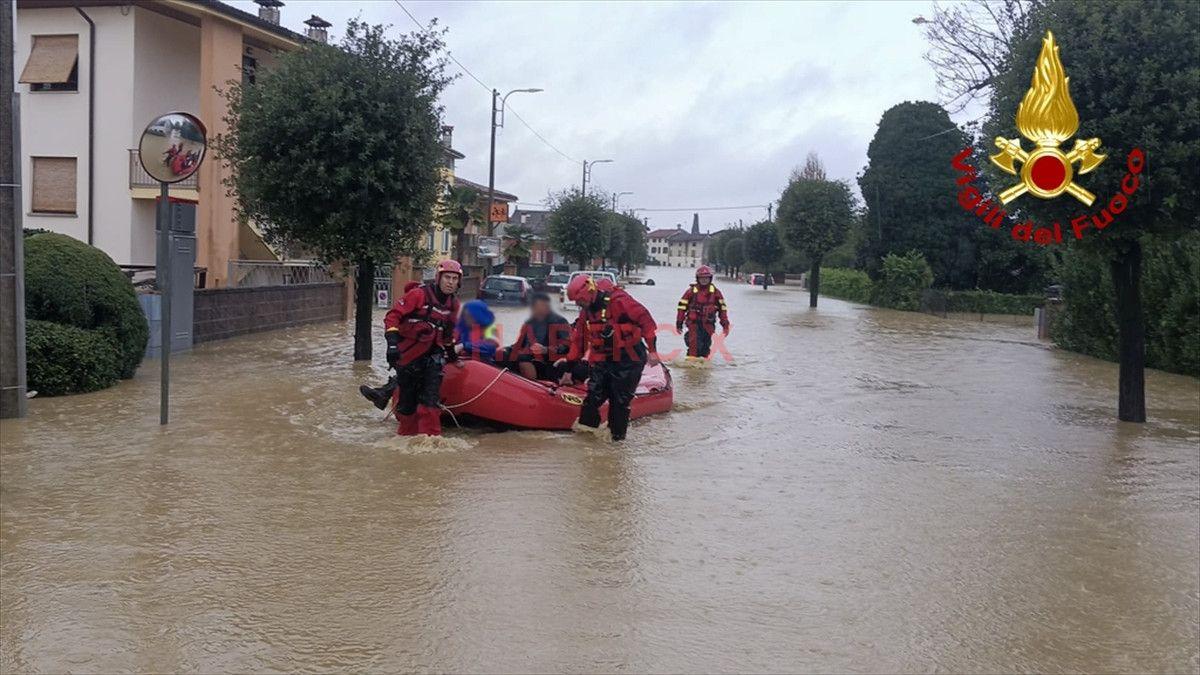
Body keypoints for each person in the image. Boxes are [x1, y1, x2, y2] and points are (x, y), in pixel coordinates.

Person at [557, 274, 660, 442]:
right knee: (592, 399)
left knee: (619, 402)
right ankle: (586, 440)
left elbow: (646, 321)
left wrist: (653, 351)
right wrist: (569, 370)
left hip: (629, 359)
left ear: (588, 293)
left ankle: (616, 443)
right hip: (604, 358)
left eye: (579, 300)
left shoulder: (619, 301)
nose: (577, 304)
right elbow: (579, 342)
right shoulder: (587, 312)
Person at [382, 259, 462, 436]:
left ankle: (431, 441)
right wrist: (392, 345)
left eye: (454, 279)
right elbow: (392, 317)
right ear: (438, 278)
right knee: (407, 406)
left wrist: (453, 357)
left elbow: (448, 335)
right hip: (409, 356)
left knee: (430, 401)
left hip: (433, 357)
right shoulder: (418, 295)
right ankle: (406, 437)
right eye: (447, 277)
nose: (450, 282)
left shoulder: (454, 305)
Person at [496, 292, 577, 381]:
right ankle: (504, 381)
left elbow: (567, 345)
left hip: (548, 356)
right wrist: (507, 349)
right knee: (502, 354)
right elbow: (520, 343)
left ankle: (533, 385)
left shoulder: (559, 321)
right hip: (530, 353)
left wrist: (545, 349)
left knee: (523, 356)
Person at [675, 265, 730, 359]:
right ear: (698, 279)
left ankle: (702, 366)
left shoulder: (716, 293)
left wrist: (725, 325)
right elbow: (681, 308)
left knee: (705, 349)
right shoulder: (690, 292)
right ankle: (690, 366)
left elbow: (722, 310)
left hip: (709, 325)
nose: (704, 280)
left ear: (710, 279)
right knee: (695, 346)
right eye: (702, 278)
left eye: (706, 278)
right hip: (694, 324)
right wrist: (679, 323)